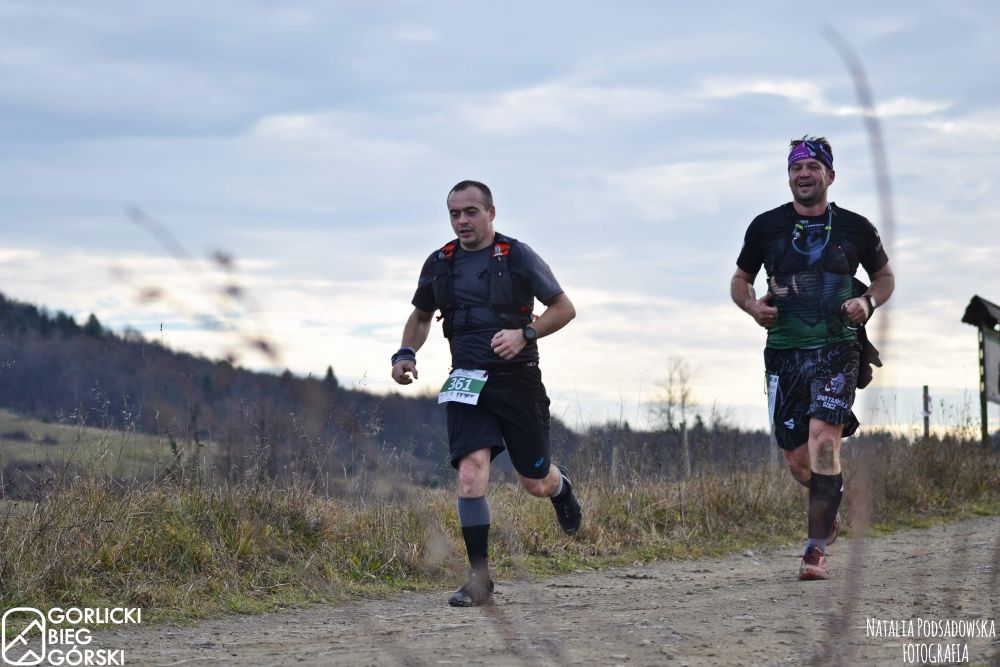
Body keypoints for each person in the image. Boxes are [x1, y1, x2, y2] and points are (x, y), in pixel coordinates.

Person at [391, 180, 582, 606]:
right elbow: (420, 316)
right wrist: (405, 353)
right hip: (466, 381)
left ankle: (561, 488)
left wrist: (525, 333)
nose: (462, 221)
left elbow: (564, 308)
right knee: (469, 473)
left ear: (491, 213)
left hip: (517, 381)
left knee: (534, 481)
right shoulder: (440, 263)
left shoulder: (517, 256)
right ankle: (479, 580)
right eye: (455, 214)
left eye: (471, 212)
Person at [730, 137, 895, 580]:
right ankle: (828, 501)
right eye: (796, 168)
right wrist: (752, 307)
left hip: (837, 348)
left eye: (812, 167)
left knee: (824, 442)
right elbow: (740, 281)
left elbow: (884, 277)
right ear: (789, 177)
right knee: (798, 460)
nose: (803, 174)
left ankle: (815, 548)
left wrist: (868, 302)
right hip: (784, 353)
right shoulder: (766, 227)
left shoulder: (856, 228)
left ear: (830, 176)